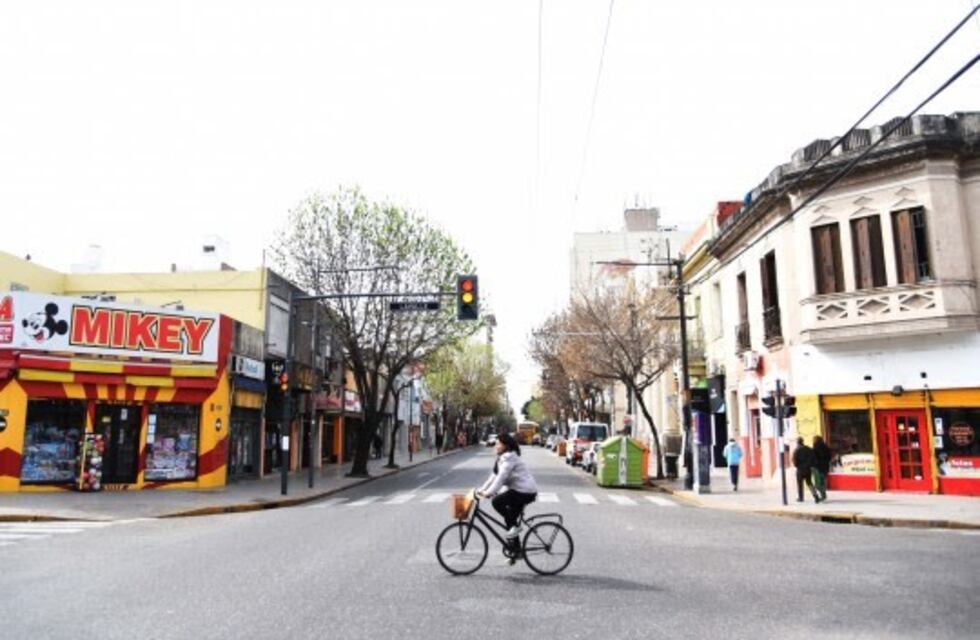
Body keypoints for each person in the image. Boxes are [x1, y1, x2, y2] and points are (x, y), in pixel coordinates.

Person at [476, 433, 539, 563]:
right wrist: (482, 490)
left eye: (498, 443)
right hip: (519, 490)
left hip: (525, 491)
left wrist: (489, 493)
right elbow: (493, 476)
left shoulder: (509, 458)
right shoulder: (502, 458)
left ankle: (515, 536)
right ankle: (516, 550)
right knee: (510, 521)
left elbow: (501, 478)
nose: (496, 445)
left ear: (505, 446)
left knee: (497, 502)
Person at [792, 436, 820, 503]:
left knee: (800, 484)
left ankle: (801, 497)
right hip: (808, 469)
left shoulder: (796, 450)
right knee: (809, 483)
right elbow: (813, 458)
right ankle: (815, 496)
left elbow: (794, 461)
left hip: (800, 470)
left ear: (797, 442)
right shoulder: (808, 449)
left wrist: (797, 465)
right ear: (802, 441)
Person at [812, 435, 831, 502]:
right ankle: (823, 494)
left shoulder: (815, 447)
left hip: (818, 467)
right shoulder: (826, 447)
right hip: (825, 466)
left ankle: (823, 495)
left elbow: (814, 458)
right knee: (822, 481)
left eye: (813, 439)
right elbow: (829, 457)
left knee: (818, 483)